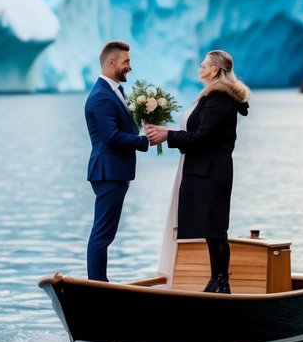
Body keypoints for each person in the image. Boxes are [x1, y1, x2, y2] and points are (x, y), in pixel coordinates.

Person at [145, 49, 249, 293]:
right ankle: (217, 280)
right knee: (212, 230)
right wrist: (167, 132)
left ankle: (222, 282)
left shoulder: (219, 98)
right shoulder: (213, 97)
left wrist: (168, 135)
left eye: (204, 65)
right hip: (206, 171)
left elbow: (203, 138)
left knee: (216, 229)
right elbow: (199, 134)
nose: (200, 68)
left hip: (212, 173)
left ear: (215, 69)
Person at [84, 40, 149, 281]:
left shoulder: (114, 92)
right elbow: (111, 136)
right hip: (108, 171)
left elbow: (120, 127)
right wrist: (143, 141)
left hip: (115, 171)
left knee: (105, 233)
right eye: (126, 62)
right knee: (102, 234)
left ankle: (99, 282)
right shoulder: (101, 97)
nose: (129, 67)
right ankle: (97, 284)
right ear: (112, 62)